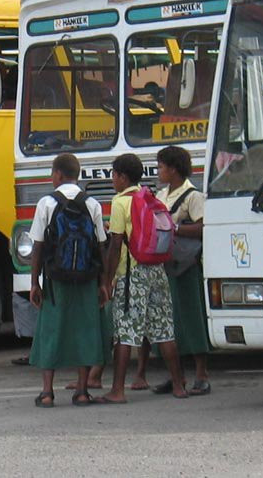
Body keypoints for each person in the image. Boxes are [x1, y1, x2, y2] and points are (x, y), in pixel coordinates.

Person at [97, 153, 188, 403]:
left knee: (125, 332)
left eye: (114, 175)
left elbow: (115, 245)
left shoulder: (120, 203)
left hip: (132, 273)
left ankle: (117, 390)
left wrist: (107, 280)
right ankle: (179, 385)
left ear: (123, 177)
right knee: (164, 329)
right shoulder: (150, 197)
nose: (113, 180)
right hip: (157, 270)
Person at [27, 153, 109, 407]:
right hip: (86, 277)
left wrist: (34, 283)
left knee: (51, 330)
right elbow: (101, 246)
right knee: (85, 330)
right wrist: (104, 282)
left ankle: (48, 392)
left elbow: (38, 247)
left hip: (56, 278)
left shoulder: (46, 203)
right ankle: (82, 391)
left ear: (58, 174)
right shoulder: (92, 204)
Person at [138, 146, 211, 396]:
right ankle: (175, 375)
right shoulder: (161, 194)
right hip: (166, 263)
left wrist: (175, 228)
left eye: (161, 167)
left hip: (187, 265)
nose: (158, 171)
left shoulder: (193, 196)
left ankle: (201, 374)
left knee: (192, 317)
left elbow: (203, 227)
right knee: (171, 320)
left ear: (173, 169)